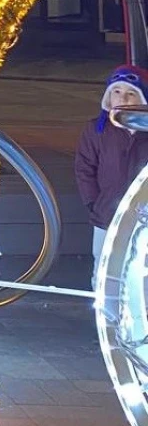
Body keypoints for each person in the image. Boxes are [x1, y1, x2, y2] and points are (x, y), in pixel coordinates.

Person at [76, 65, 148, 288]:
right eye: (116, 91)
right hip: (107, 213)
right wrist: (93, 202)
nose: (122, 98)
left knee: (141, 269)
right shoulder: (96, 130)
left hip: (143, 216)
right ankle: (105, 306)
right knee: (105, 268)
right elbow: (85, 168)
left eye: (130, 93)